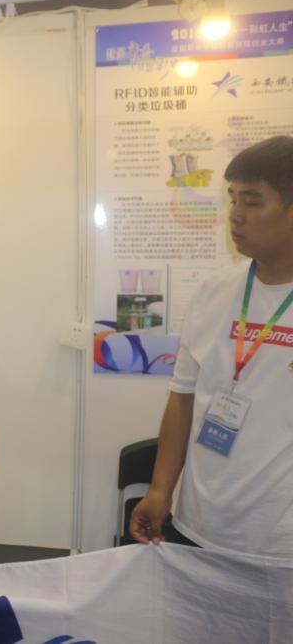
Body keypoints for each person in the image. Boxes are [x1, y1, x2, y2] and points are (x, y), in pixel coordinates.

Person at [130, 135, 293, 558]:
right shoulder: (214, 290)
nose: (235, 215)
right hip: (197, 524)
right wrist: (160, 489)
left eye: (252, 201)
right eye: (233, 198)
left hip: (280, 543)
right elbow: (182, 396)